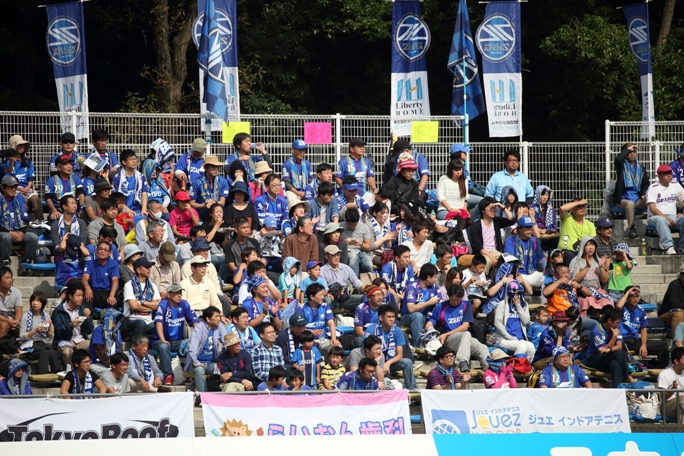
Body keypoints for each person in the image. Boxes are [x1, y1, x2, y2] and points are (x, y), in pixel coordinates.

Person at [425, 285, 489, 372]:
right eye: (453, 299)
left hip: (460, 337)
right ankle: (462, 361)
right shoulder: (441, 306)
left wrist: (446, 334)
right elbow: (431, 321)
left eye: (458, 299)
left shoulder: (466, 305)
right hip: (449, 340)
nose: (455, 302)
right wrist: (429, 328)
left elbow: (465, 326)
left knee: (482, 347)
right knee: (466, 334)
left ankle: (489, 368)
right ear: (449, 297)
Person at [153, 283, 199, 384]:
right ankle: (168, 376)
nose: (179, 295)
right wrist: (162, 339)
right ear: (169, 294)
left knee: (193, 344)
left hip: (179, 341)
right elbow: (158, 322)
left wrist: (199, 337)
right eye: (176, 293)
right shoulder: (163, 304)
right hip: (160, 340)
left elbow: (195, 322)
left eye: (180, 293)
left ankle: (189, 374)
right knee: (163, 346)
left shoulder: (184, 304)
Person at [364, 305, 415, 390]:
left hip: (390, 363)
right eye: (389, 317)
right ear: (381, 318)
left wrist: (388, 363)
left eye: (393, 317)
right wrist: (379, 365)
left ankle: (411, 390)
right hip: (374, 363)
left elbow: (400, 355)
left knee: (407, 362)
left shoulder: (397, 330)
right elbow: (366, 352)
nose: (392, 319)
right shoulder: (371, 329)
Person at [616, 286, 669, 368]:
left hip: (635, 340)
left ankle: (661, 369)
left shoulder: (641, 311)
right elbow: (618, 306)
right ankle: (627, 367)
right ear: (627, 298)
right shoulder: (623, 308)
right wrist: (628, 292)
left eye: (637, 296)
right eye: (632, 296)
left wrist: (643, 345)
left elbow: (643, 330)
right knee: (618, 347)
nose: (635, 299)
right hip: (622, 339)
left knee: (663, 345)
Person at [586, 308, 636, 388]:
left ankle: (617, 389)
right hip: (594, 358)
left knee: (615, 364)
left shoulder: (617, 329)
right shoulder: (596, 330)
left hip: (609, 356)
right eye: (617, 322)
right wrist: (614, 336)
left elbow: (619, 346)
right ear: (609, 320)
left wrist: (609, 349)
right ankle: (629, 376)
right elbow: (602, 350)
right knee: (617, 353)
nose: (618, 325)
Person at [185, 306, 228, 392]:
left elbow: (227, 340)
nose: (219, 319)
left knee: (225, 368)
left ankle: (224, 393)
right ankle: (203, 396)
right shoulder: (198, 329)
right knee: (199, 370)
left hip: (212, 363)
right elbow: (192, 348)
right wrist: (196, 362)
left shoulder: (219, 326)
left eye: (219, 316)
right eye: (216, 316)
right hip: (197, 364)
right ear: (208, 319)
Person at [0, 178, 38, 273]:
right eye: (10, 187)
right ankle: (4, 264)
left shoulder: (18, 201)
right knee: (6, 237)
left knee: (33, 237)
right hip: (4, 234)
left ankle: (26, 265)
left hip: (17, 233)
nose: (13, 189)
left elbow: (25, 220)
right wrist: (10, 232)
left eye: (15, 186)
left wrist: (21, 232)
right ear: (3, 188)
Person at [52, 280, 93, 368]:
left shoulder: (82, 309)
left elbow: (89, 330)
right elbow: (58, 331)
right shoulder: (59, 311)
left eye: (82, 295)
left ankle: (89, 370)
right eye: (78, 295)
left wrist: (88, 318)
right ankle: (72, 372)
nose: (81, 298)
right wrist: (70, 325)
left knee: (93, 346)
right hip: (64, 341)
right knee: (68, 352)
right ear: (70, 296)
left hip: (80, 340)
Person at [470, 197, 516, 275]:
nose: (493, 211)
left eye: (494, 208)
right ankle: (482, 280)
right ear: (483, 210)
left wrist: (503, 208)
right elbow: (477, 247)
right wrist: (491, 256)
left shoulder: (496, 221)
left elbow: (512, 220)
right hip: (484, 253)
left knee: (510, 260)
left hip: (496, 252)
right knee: (486, 262)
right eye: (491, 208)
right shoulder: (475, 226)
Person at [612, 143, 649, 238]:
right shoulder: (621, 166)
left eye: (634, 151)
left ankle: (652, 227)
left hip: (637, 199)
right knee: (629, 204)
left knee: (651, 201)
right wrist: (627, 149)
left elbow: (645, 183)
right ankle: (632, 227)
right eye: (629, 152)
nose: (632, 154)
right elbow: (618, 159)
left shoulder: (640, 168)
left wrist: (643, 193)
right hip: (623, 199)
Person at [646, 164, 684, 255]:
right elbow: (652, 208)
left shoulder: (675, 184)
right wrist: (666, 218)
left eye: (670, 173)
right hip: (655, 217)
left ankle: (682, 247)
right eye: (666, 173)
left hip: (673, 216)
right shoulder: (653, 188)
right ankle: (669, 246)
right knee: (661, 220)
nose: (669, 175)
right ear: (659, 175)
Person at [2, 136, 42, 221]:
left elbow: (30, 177)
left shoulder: (28, 161)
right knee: (23, 200)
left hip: (26, 188)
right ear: (14, 146)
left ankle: (40, 221)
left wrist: (28, 187)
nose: (22, 147)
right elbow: (7, 178)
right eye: (20, 145)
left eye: (23, 145)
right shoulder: (6, 161)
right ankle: (23, 222)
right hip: (14, 189)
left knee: (36, 199)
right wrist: (19, 188)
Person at [19, 291, 59, 374]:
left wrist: (50, 326)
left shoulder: (46, 316)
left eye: (38, 301)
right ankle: (43, 375)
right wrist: (35, 331)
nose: (35, 303)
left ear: (43, 303)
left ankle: (57, 372)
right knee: (44, 352)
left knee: (52, 352)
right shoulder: (26, 317)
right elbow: (21, 336)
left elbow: (50, 336)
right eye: (33, 300)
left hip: (41, 342)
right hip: (29, 343)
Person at [493, 281, 535, 359]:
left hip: (520, 339)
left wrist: (518, 305)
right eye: (516, 293)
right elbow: (497, 322)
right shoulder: (502, 304)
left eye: (519, 293)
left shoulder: (524, 305)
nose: (517, 295)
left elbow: (526, 321)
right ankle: (518, 364)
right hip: (504, 339)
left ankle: (528, 365)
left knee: (531, 347)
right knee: (522, 346)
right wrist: (510, 337)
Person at [320, 244, 370, 309]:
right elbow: (325, 288)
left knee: (366, 297)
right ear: (326, 256)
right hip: (332, 296)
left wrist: (366, 288)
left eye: (338, 254)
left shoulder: (346, 268)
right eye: (333, 255)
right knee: (327, 300)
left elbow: (356, 282)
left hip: (345, 297)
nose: (336, 257)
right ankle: (330, 315)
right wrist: (329, 294)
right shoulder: (322, 270)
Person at [401, 263, 440, 346]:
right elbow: (411, 309)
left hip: (428, 317)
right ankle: (417, 345)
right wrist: (428, 303)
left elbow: (440, 302)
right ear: (428, 278)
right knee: (417, 316)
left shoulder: (435, 288)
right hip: (408, 317)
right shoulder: (412, 287)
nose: (436, 279)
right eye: (435, 277)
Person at [295, 283, 340, 353]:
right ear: (312, 297)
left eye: (323, 295)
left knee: (338, 348)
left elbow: (331, 323)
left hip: (323, 340)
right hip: (307, 341)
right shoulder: (301, 308)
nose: (323, 297)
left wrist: (333, 339)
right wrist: (311, 332)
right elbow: (297, 329)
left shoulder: (325, 306)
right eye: (320, 295)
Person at [123, 256, 161, 337]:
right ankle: (137, 343)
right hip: (132, 319)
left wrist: (142, 302)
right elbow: (133, 306)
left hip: (149, 320)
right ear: (138, 270)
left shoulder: (152, 286)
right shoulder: (129, 285)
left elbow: (158, 305)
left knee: (159, 326)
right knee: (141, 323)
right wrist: (151, 307)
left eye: (149, 267)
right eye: (147, 267)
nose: (149, 269)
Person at [503, 215, 546, 288]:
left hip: (532, 273)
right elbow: (509, 260)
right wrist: (515, 274)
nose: (530, 230)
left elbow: (541, 258)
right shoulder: (511, 240)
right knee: (511, 282)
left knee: (548, 280)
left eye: (531, 227)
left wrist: (545, 268)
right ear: (520, 229)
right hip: (517, 274)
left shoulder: (534, 240)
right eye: (527, 227)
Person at [188, 155, 229, 220]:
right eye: (213, 166)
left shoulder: (223, 181)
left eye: (217, 166)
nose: (216, 169)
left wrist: (213, 204)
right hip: (202, 210)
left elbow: (222, 202)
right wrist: (204, 205)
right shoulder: (196, 182)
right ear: (206, 168)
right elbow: (191, 203)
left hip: (217, 209)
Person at [82, 241, 120, 311]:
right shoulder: (90, 263)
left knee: (112, 306)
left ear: (110, 253)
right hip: (94, 292)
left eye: (105, 250)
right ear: (96, 251)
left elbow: (115, 281)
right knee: (86, 305)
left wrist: (111, 295)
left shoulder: (114, 264)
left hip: (108, 292)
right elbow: (84, 278)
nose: (102, 251)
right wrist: (87, 288)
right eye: (100, 249)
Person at [44, 155, 85, 220]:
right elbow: (48, 198)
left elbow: (81, 194)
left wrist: (81, 208)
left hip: (74, 212)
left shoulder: (76, 178)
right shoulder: (51, 180)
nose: (69, 166)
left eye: (70, 164)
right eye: (65, 164)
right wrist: (54, 210)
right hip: (57, 212)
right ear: (58, 167)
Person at [558, 198, 596, 264]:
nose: (582, 208)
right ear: (572, 210)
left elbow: (591, 242)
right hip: (566, 252)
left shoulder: (590, 225)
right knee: (570, 257)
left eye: (583, 206)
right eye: (578, 206)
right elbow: (562, 208)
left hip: (582, 253)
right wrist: (580, 202)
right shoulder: (567, 218)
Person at [111, 149, 148, 217]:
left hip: (137, 209)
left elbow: (144, 194)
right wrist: (127, 210)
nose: (134, 161)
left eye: (135, 158)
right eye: (131, 159)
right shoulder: (117, 178)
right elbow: (115, 197)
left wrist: (144, 209)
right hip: (122, 210)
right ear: (124, 162)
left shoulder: (141, 177)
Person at [225, 217, 262, 282]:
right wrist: (243, 272)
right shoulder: (230, 244)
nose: (246, 230)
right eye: (243, 228)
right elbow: (232, 266)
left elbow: (259, 259)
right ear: (236, 230)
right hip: (237, 272)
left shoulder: (254, 242)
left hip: (254, 272)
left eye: (248, 227)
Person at [88, 308, 124, 376]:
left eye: (115, 319)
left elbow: (120, 349)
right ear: (103, 320)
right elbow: (99, 351)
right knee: (112, 373)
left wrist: (120, 364)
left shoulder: (117, 331)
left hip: (113, 364)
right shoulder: (98, 330)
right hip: (97, 363)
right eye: (112, 318)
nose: (115, 321)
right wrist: (112, 366)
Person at [340, 209, 372, 277]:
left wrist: (361, 244)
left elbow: (368, 247)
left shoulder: (364, 227)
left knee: (368, 264)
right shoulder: (339, 226)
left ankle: (365, 280)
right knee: (353, 258)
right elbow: (333, 243)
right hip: (346, 251)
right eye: (349, 225)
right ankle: (354, 281)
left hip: (361, 251)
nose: (352, 227)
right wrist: (344, 242)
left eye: (355, 225)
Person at [282, 139, 314, 206]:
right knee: (292, 201)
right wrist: (298, 193)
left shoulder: (307, 163)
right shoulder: (287, 164)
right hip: (293, 192)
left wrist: (307, 192)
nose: (302, 152)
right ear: (292, 150)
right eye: (299, 150)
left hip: (306, 191)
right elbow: (287, 183)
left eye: (303, 150)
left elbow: (310, 181)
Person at [437, 159, 469, 226]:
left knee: (470, 222)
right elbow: (440, 196)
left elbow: (465, 198)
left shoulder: (464, 180)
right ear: (450, 170)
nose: (458, 172)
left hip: (459, 211)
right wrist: (450, 209)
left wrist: (465, 210)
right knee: (460, 222)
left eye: (460, 170)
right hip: (445, 210)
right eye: (456, 170)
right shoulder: (444, 179)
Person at [657, 347, 684, 421]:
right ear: (676, 361)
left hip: (682, 405)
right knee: (683, 399)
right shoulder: (664, 374)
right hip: (667, 406)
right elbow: (663, 397)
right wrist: (673, 389)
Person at [530, 185, 558, 249]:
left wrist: (547, 231)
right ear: (538, 195)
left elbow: (554, 227)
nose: (545, 197)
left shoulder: (551, 210)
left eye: (547, 195)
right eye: (542, 194)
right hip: (534, 234)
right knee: (537, 241)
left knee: (556, 241)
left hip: (547, 236)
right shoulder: (531, 208)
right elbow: (527, 225)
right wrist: (539, 230)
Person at [660, 265, 684, 335]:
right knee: (679, 314)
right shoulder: (674, 285)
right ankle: (678, 340)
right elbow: (675, 304)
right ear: (681, 276)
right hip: (667, 315)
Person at [0, 267, 21, 339]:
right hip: (2, 318)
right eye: (7, 278)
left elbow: (19, 310)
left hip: (11, 317)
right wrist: (8, 321)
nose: (10, 280)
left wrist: (16, 322)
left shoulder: (16, 292)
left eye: (11, 277)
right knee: (4, 325)